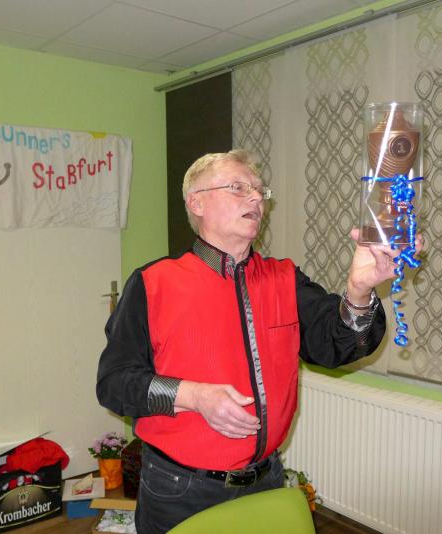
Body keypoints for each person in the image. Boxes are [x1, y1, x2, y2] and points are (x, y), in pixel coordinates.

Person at [96, 149, 421, 533]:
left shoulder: (284, 279)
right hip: (179, 489)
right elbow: (114, 383)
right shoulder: (154, 283)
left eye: (259, 191)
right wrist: (194, 396)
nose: (255, 198)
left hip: (265, 480)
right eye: (238, 188)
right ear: (196, 202)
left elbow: (337, 344)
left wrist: (359, 291)